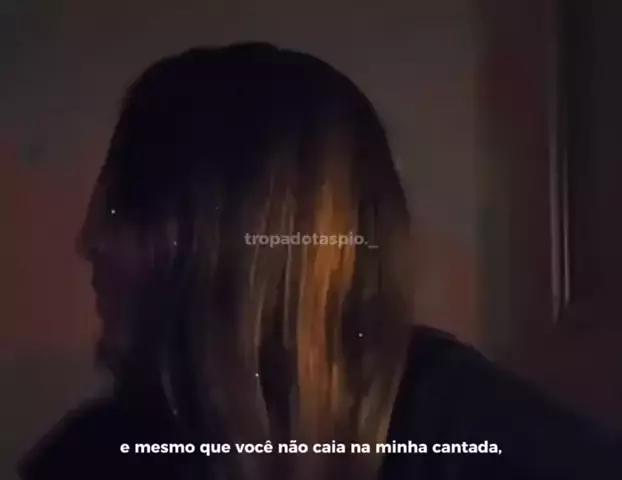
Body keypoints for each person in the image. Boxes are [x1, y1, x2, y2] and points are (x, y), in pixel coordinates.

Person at [19, 43, 619, 480]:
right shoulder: (94, 458)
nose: (89, 241)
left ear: (237, 232)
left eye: (125, 208)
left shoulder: (472, 438)